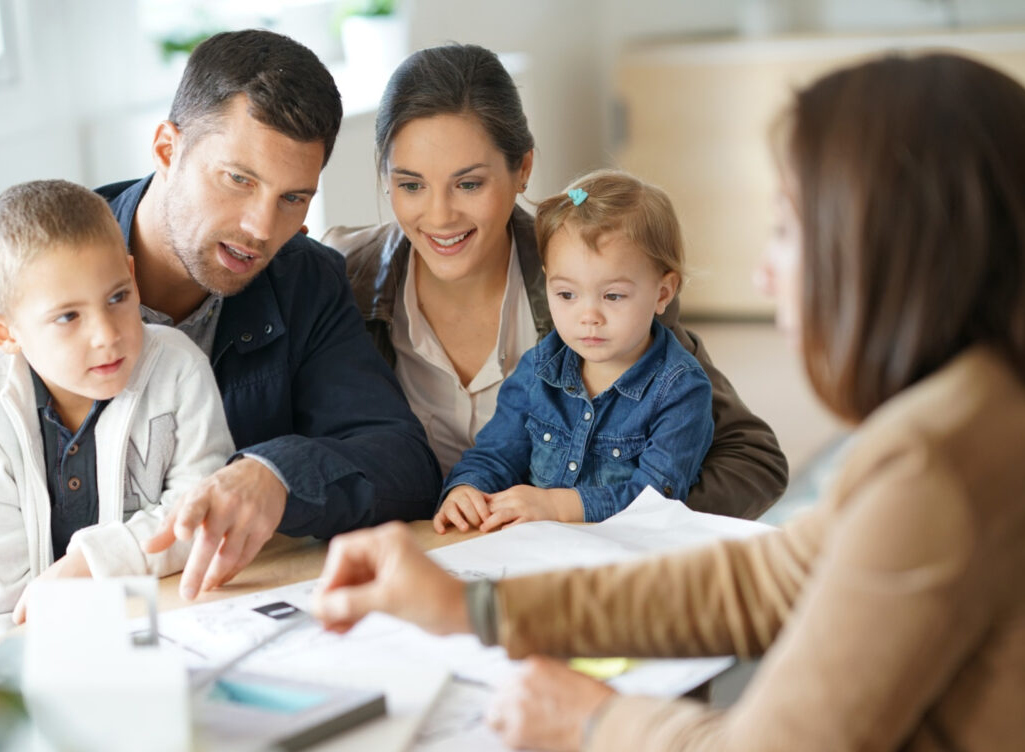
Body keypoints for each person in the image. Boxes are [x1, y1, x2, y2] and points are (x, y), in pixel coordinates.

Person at [312, 53, 1025, 752]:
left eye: (788, 229)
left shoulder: (933, 470)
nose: (764, 275)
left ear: (895, 252)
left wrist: (594, 722)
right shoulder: (968, 412)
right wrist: (477, 608)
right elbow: (765, 580)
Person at [0, 30, 441, 678]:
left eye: (294, 198)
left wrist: (274, 477)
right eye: (238, 179)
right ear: (167, 148)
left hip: (176, 658)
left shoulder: (302, 281)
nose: (263, 228)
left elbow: (400, 458)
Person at [322, 43, 786, 520]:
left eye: (469, 184)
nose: (439, 216)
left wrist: (591, 513)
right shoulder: (342, 278)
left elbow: (754, 461)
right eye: (411, 185)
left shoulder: (603, 274)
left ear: (522, 169)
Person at [0, 180, 235, 647]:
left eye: (117, 297)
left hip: (154, 626)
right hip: (16, 645)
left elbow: (201, 515)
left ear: (133, 278)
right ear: (3, 331)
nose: (106, 335)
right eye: (68, 317)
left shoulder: (179, 368)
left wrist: (89, 564)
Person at [436, 170, 713, 533]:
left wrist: (557, 505)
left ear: (663, 293)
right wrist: (467, 488)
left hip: (629, 563)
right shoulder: (538, 370)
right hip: (539, 553)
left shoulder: (680, 389)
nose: (588, 317)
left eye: (612, 296)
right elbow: (496, 454)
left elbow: (657, 498)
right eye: (566, 294)